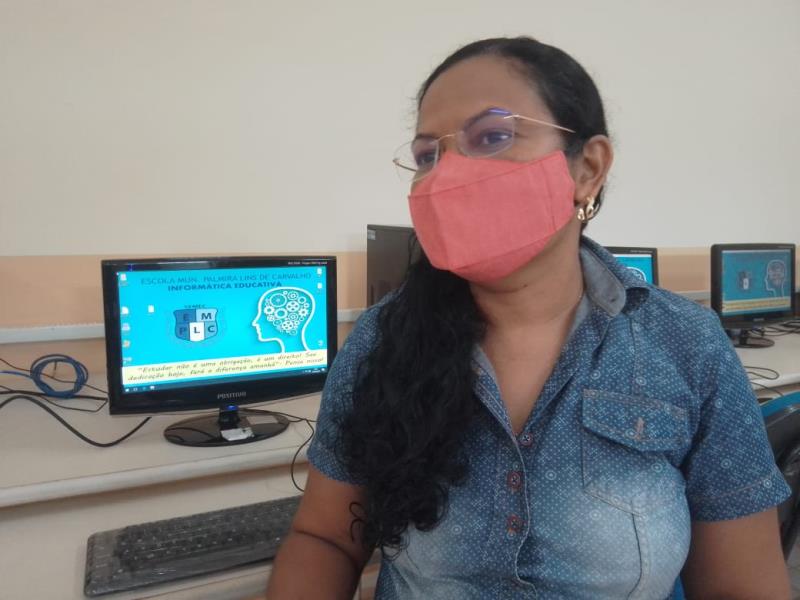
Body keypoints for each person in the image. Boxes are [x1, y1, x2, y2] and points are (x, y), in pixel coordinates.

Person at [267, 36, 791, 599]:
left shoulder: (685, 345)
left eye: (492, 137)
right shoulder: (382, 340)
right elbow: (325, 538)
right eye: (427, 156)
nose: (446, 177)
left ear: (588, 168)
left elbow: (744, 587)